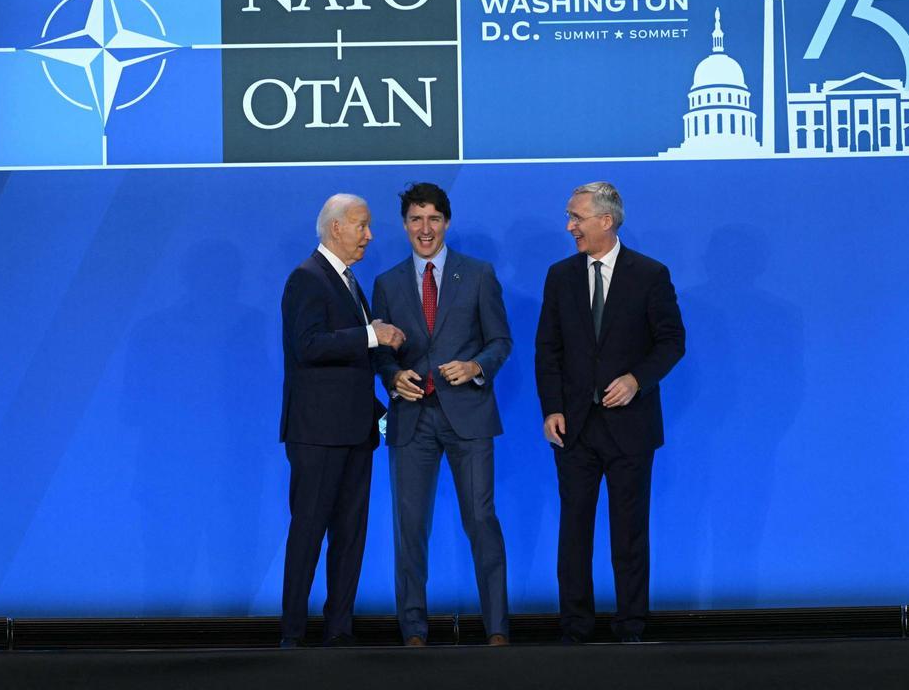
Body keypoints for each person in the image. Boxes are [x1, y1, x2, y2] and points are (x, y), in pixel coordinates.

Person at [534, 181, 685, 643]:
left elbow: (671, 341)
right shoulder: (560, 276)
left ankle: (630, 626)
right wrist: (552, 409)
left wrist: (637, 380)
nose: (569, 226)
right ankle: (575, 626)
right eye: (569, 216)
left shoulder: (650, 274)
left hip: (630, 428)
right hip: (574, 429)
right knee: (573, 533)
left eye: (577, 217)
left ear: (607, 220)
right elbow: (548, 349)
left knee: (629, 534)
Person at [372, 183, 513, 646]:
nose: (425, 228)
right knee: (409, 529)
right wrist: (393, 378)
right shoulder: (387, 283)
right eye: (416, 219)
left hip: (468, 416)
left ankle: (496, 629)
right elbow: (380, 353)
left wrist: (476, 366)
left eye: (433, 218)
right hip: (412, 419)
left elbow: (501, 342)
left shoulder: (477, 274)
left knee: (481, 520)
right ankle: (413, 632)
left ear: (447, 222)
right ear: (405, 225)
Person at [279, 194, 406, 648]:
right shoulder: (306, 279)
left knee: (351, 537)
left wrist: (385, 400)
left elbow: (352, 366)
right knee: (309, 532)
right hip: (316, 435)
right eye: (363, 225)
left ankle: (339, 630)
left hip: (356, 432)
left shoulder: (351, 283)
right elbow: (309, 345)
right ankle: (293, 635)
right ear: (336, 228)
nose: (370, 235)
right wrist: (372, 334)